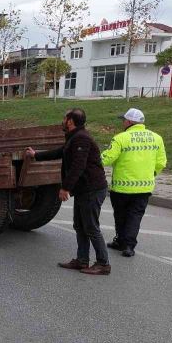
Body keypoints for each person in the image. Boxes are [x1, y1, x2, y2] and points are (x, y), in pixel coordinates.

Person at [25, 108, 110, 275]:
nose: (62, 120)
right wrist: (36, 155)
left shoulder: (81, 139)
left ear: (70, 121)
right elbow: (60, 152)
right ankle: (82, 260)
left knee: (91, 227)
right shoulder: (74, 137)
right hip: (84, 190)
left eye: (65, 118)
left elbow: (78, 166)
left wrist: (65, 188)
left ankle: (103, 264)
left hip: (92, 189)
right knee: (80, 225)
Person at [102, 108, 167, 257]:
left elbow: (107, 158)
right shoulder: (157, 138)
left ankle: (120, 241)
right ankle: (129, 246)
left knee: (121, 215)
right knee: (135, 216)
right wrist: (152, 174)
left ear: (130, 122)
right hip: (144, 188)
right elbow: (161, 162)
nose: (123, 122)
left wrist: (92, 161)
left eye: (124, 120)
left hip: (122, 188)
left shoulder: (121, 138)